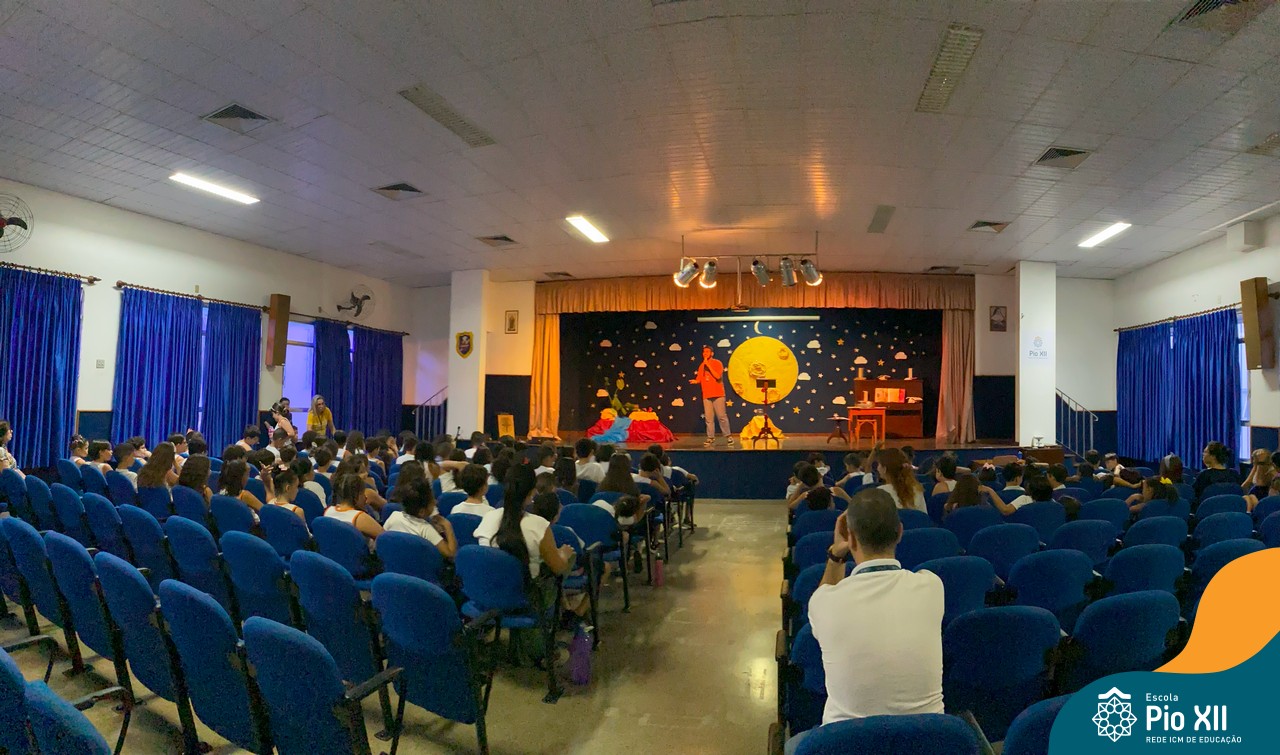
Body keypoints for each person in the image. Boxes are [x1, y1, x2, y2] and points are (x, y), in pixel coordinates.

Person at [784, 488, 943, 755]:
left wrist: (836, 555)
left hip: (844, 745)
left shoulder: (825, 601)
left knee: (793, 746)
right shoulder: (932, 585)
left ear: (851, 538)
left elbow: (823, 597)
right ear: (900, 532)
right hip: (928, 742)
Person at [383, 478, 457, 559]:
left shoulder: (394, 516)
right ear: (421, 512)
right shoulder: (426, 529)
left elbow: (382, 539)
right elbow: (451, 553)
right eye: (432, 501)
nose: (436, 502)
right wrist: (448, 526)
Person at [324, 471, 383, 544]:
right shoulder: (359, 517)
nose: (365, 497)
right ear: (356, 495)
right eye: (363, 493)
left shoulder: (328, 511)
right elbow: (387, 538)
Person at [690, 345, 733, 446]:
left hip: (718, 394)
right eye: (704, 352)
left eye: (707, 352)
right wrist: (695, 381)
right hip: (707, 395)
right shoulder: (701, 366)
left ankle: (728, 436)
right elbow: (699, 378)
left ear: (712, 353)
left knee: (721, 416)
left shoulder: (717, 363)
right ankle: (710, 437)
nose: (705, 353)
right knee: (709, 418)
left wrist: (708, 365)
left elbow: (717, 376)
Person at [876, 448, 925, 512]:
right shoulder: (917, 489)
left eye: (879, 464)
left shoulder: (880, 492)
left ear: (885, 469)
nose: (877, 468)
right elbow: (924, 516)